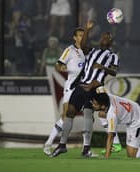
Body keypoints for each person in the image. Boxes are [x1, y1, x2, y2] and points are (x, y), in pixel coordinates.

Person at [51, 32, 121, 157]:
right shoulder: (92, 51)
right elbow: (82, 45)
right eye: (103, 36)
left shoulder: (113, 56)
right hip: (81, 85)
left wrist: (102, 67)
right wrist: (88, 30)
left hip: (94, 88)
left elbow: (115, 72)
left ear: (111, 42)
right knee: (70, 112)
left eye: (107, 38)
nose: (104, 38)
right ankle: (62, 145)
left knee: (88, 114)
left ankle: (86, 149)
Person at [43, 21, 93, 156]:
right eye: (80, 35)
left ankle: (86, 150)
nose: (82, 37)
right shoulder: (69, 50)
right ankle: (49, 143)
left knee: (89, 116)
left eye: (84, 35)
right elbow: (58, 65)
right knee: (66, 116)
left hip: (85, 88)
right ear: (74, 37)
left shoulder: (88, 51)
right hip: (71, 87)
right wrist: (63, 68)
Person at [90, 88, 140, 159]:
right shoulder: (106, 97)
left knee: (132, 154)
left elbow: (111, 136)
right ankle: (116, 145)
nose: (93, 105)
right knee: (101, 114)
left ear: (103, 106)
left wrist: (107, 156)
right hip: (132, 111)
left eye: (95, 104)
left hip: (136, 120)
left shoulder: (112, 114)